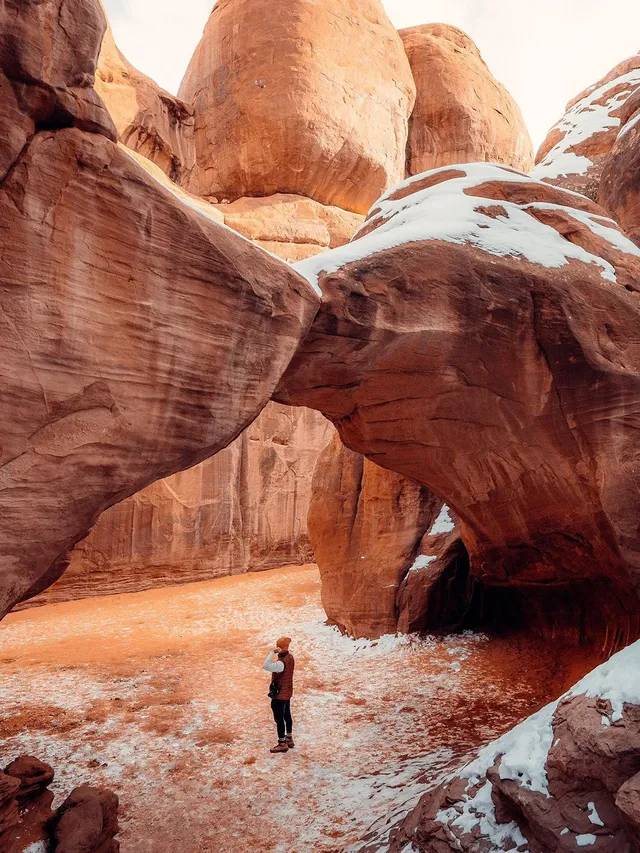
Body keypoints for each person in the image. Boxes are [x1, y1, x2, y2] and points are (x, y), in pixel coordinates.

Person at [262, 635, 295, 754]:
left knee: (279, 718)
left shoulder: (280, 664)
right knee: (287, 715)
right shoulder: (290, 657)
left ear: (279, 648)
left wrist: (272, 653)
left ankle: (282, 743)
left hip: (279, 694)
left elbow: (265, 665)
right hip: (287, 692)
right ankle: (289, 739)